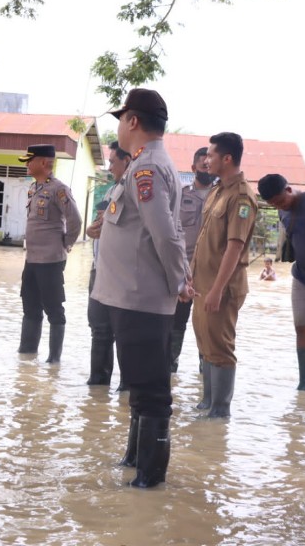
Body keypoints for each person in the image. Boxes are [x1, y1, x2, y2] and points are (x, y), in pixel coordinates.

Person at [92, 88, 192, 488]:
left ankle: (149, 481)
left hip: (141, 295)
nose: (119, 126)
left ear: (132, 121)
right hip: (131, 294)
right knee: (139, 384)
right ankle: (135, 461)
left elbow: (165, 234)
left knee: (150, 391)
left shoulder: (147, 168)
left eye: (121, 118)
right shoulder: (143, 165)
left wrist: (180, 280)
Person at [190, 132, 258, 419]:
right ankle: (207, 403)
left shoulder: (241, 196)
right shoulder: (218, 190)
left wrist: (217, 289)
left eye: (211, 155)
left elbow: (235, 246)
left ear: (227, 158)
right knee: (205, 344)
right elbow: (204, 239)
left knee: (220, 347)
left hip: (222, 287)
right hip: (202, 284)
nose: (206, 160)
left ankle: (220, 411)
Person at [257, 173, 305, 390]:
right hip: (302, 277)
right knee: (302, 328)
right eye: (274, 205)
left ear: (289, 189)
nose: (279, 206)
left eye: (281, 201)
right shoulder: (282, 211)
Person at [16, 144, 82, 363]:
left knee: (54, 309)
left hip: (51, 261)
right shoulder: (33, 188)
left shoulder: (59, 189)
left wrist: (66, 244)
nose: (27, 164)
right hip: (32, 260)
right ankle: (26, 354)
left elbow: (75, 220)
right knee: (30, 307)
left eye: (30, 160)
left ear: (43, 162)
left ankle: (54, 361)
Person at [85, 141, 131, 387]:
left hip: (122, 274)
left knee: (124, 332)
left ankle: (127, 389)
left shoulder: (136, 194)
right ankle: (97, 389)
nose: (109, 166)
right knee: (99, 329)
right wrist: (91, 230)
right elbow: (99, 224)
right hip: (99, 269)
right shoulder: (110, 191)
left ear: (127, 161)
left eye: (113, 162)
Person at [170, 146, 212, 374]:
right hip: (182, 269)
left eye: (209, 163)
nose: (206, 166)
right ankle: (170, 370)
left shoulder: (221, 196)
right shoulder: (181, 195)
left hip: (209, 271)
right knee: (176, 323)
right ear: (193, 167)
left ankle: (205, 375)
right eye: (202, 163)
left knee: (206, 326)